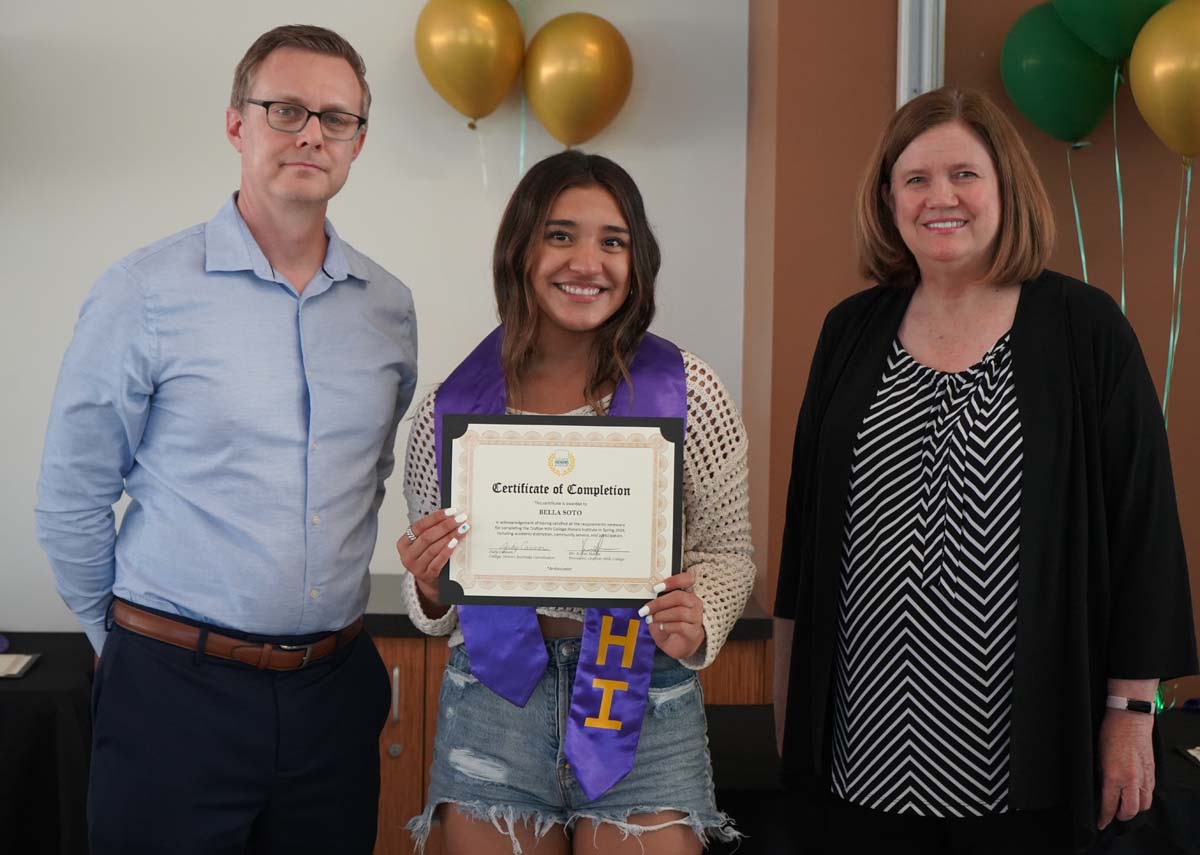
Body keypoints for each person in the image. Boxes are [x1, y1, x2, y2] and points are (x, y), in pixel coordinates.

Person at [773, 87, 1197, 853]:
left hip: (1022, 759)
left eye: (965, 175)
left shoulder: (1084, 328)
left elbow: (1144, 529)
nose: (942, 198)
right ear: (888, 199)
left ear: (1006, 188)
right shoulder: (850, 331)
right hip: (860, 749)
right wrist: (788, 711)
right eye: (916, 179)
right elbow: (806, 536)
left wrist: (1132, 715)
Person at [35, 25, 416, 854]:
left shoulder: (388, 309)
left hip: (333, 695)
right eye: (286, 110)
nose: (311, 133)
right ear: (237, 124)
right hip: (172, 691)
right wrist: (131, 647)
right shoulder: (143, 293)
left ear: (357, 142)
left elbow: (372, 475)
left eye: (336, 118)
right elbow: (71, 497)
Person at [397, 150, 753, 854]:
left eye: (612, 241)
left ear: (636, 261)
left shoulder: (692, 391)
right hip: (498, 703)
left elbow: (726, 549)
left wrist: (700, 612)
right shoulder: (448, 408)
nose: (587, 260)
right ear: (520, 249)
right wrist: (430, 586)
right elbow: (435, 598)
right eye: (560, 234)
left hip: (641, 697)